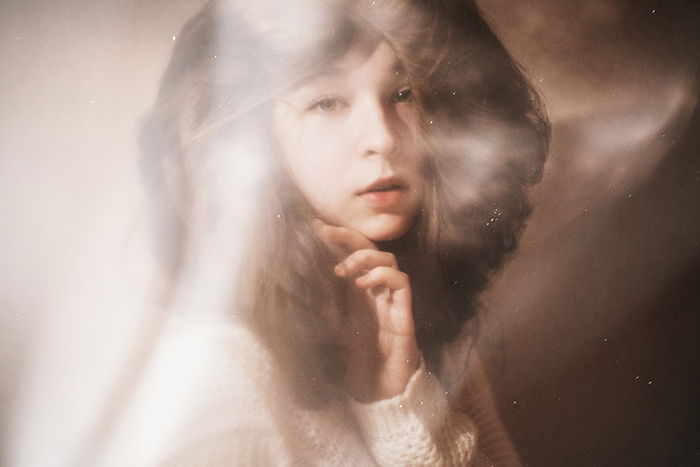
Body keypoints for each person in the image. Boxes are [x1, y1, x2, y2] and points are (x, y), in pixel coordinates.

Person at [135, 0, 549, 465]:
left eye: (404, 93)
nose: (383, 138)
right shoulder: (218, 377)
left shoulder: (423, 317)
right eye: (326, 102)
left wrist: (398, 405)